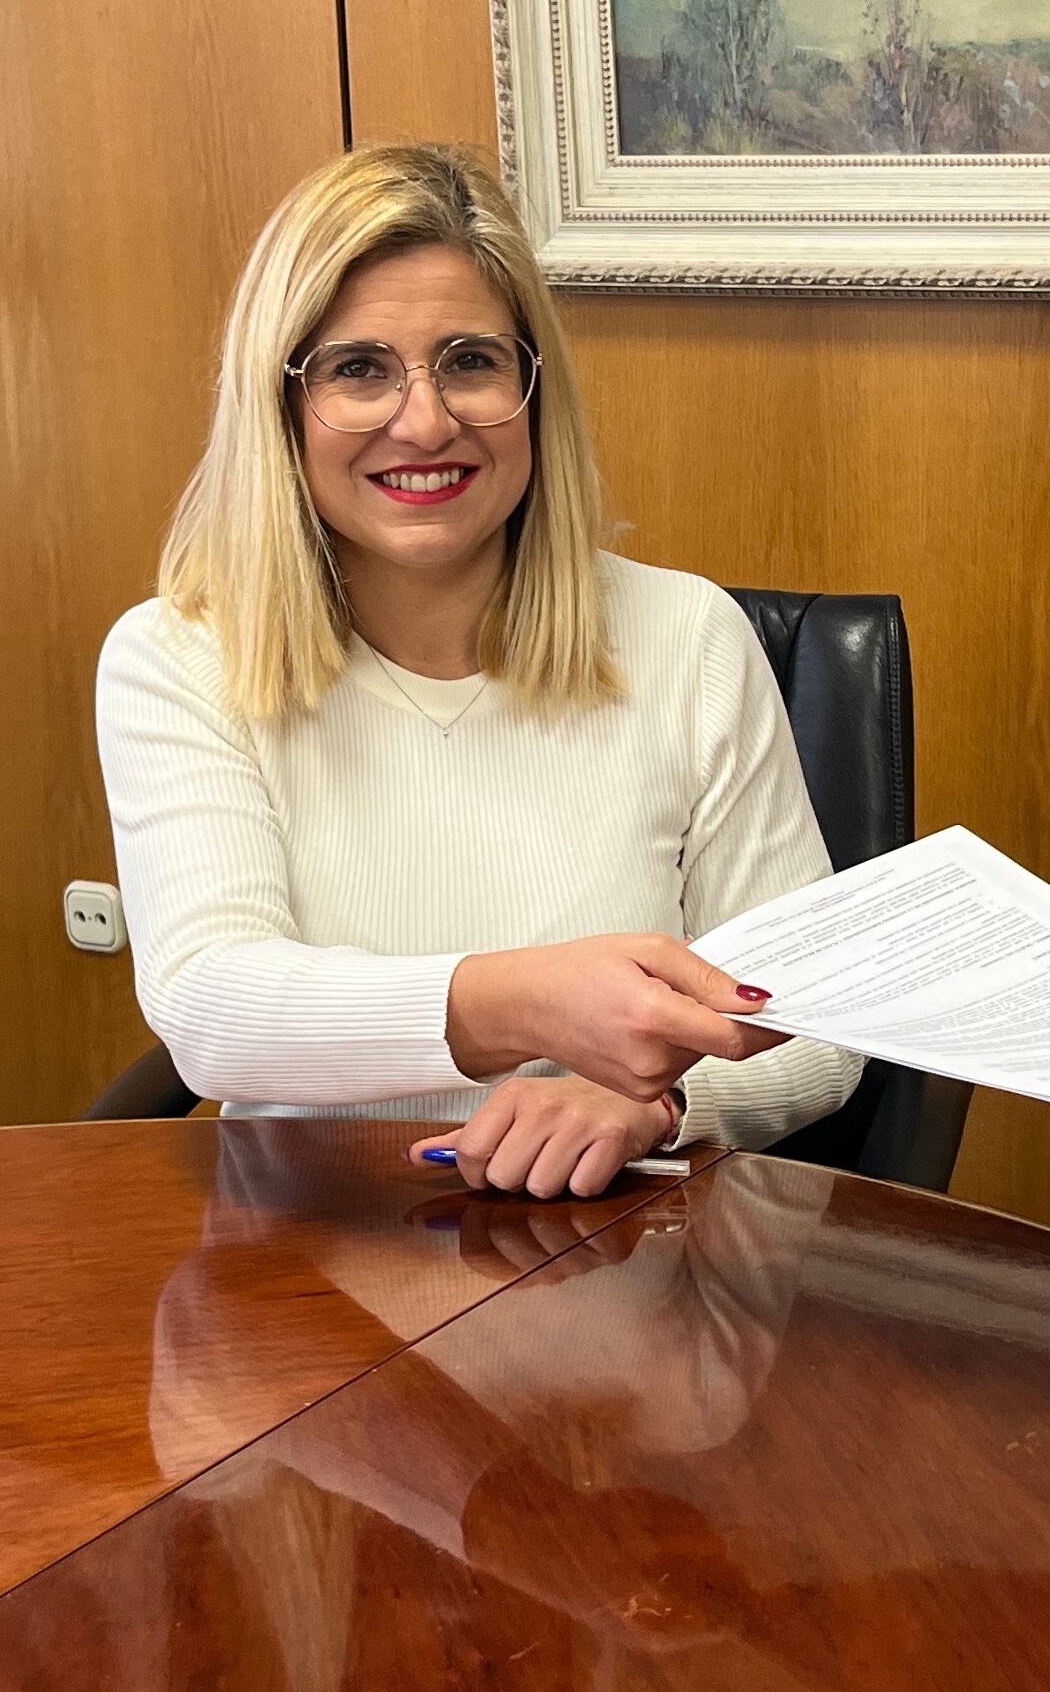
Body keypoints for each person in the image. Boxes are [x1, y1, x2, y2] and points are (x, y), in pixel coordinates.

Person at [98, 143, 859, 1197]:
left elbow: (814, 1021)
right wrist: (527, 1005)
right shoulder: (176, 659)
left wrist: (661, 1104)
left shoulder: (688, 636)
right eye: (358, 369)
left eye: (470, 362)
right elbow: (211, 1008)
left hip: (616, 1258)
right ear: (280, 407)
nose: (425, 420)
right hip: (307, 1266)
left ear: (532, 391)